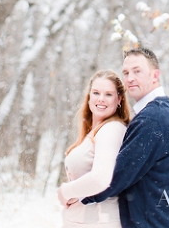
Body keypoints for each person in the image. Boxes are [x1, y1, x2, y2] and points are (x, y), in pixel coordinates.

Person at [82, 48, 169, 228]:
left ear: (155, 75)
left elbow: (116, 176)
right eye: (126, 72)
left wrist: (79, 196)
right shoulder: (163, 110)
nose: (130, 78)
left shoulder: (152, 119)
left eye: (137, 71)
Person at [58, 70, 131, 228]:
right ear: (89, 96)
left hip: (98, 221)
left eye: (108, 94)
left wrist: (65, 191)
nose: (101, 99)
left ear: (119, 99)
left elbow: (100, 179)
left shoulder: (111, 129)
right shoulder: (96, 131)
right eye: (96, 92)